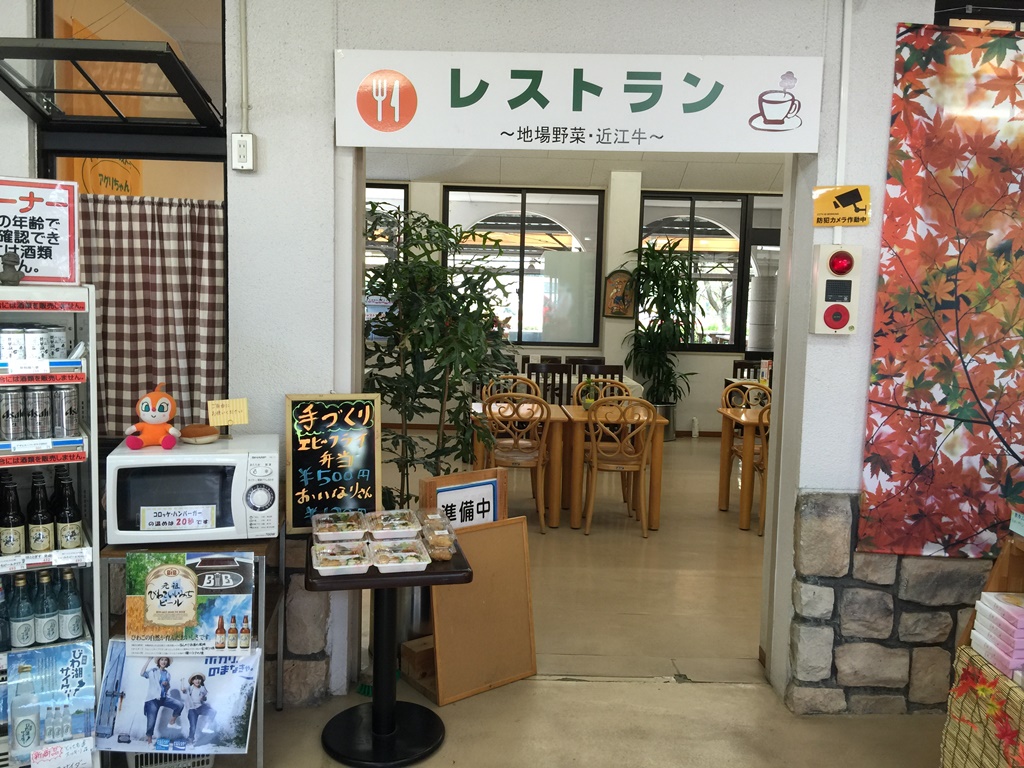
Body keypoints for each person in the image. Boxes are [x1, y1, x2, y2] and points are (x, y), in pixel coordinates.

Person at [140, 657, 183, 744]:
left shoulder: (167, 674)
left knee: (180, 705)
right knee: (151, 721)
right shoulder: (153, 671)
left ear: (167, 662)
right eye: (162, 660)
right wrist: (148, 660)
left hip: (163, 697)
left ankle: (172, 722)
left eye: (165, 660)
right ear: (159, 661)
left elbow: (166, 689)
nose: (164, 662)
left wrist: (166, 685)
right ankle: (149, 742)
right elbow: (142, 673)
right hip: (153, 699)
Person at [180, 673, 217, 745]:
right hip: (192, 709)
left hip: (200, 707)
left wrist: (203, 698)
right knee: (193, 726)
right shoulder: (190, 688)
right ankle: (190, 741)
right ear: (192, 681)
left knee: (213, 712)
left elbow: (205, 698)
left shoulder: (203, 688)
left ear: (201, 680)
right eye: (195, 679)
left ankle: (206, 727)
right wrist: (182, 682)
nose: (197, 681)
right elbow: (183, 690)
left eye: (199, 679)